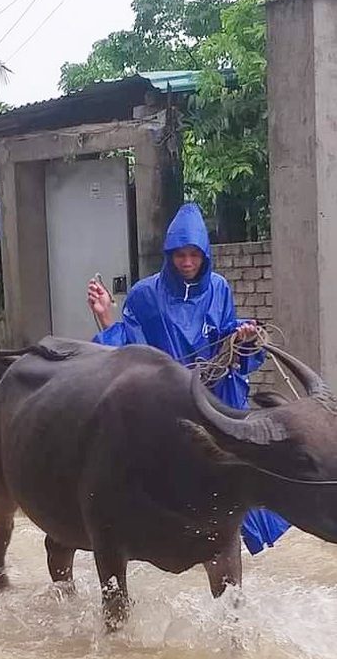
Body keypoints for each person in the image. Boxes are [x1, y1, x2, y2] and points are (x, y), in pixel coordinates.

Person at [86, 202, 291, 555]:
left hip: (212, 396)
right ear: (169, 255)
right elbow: (130, 346)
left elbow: (226, 330)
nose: (186, 262)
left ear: (204, 256)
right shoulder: (145, 294)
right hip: (165, 400)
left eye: (194, 255)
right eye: (180, 255)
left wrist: (241, 336)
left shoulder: (219, 288)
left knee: (240, 459)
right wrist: (105, 316)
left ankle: (243, 533)